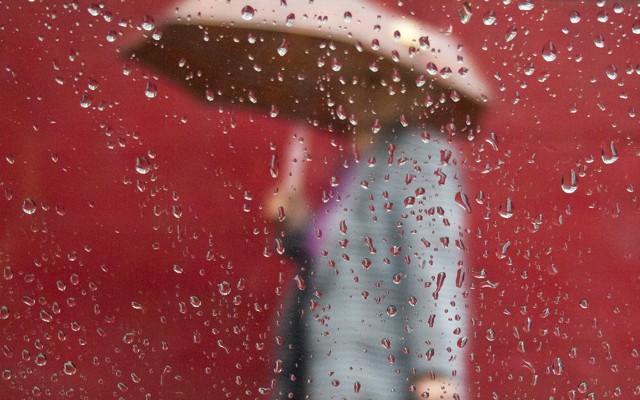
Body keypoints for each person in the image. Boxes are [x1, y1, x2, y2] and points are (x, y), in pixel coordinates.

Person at [268, 119, 473, 399]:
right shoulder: (357, 163)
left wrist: (436, 371)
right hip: (329, 366)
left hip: (380, 373)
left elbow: (434, 267)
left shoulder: (421, 154)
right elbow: (342, 262)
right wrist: (297, 227)